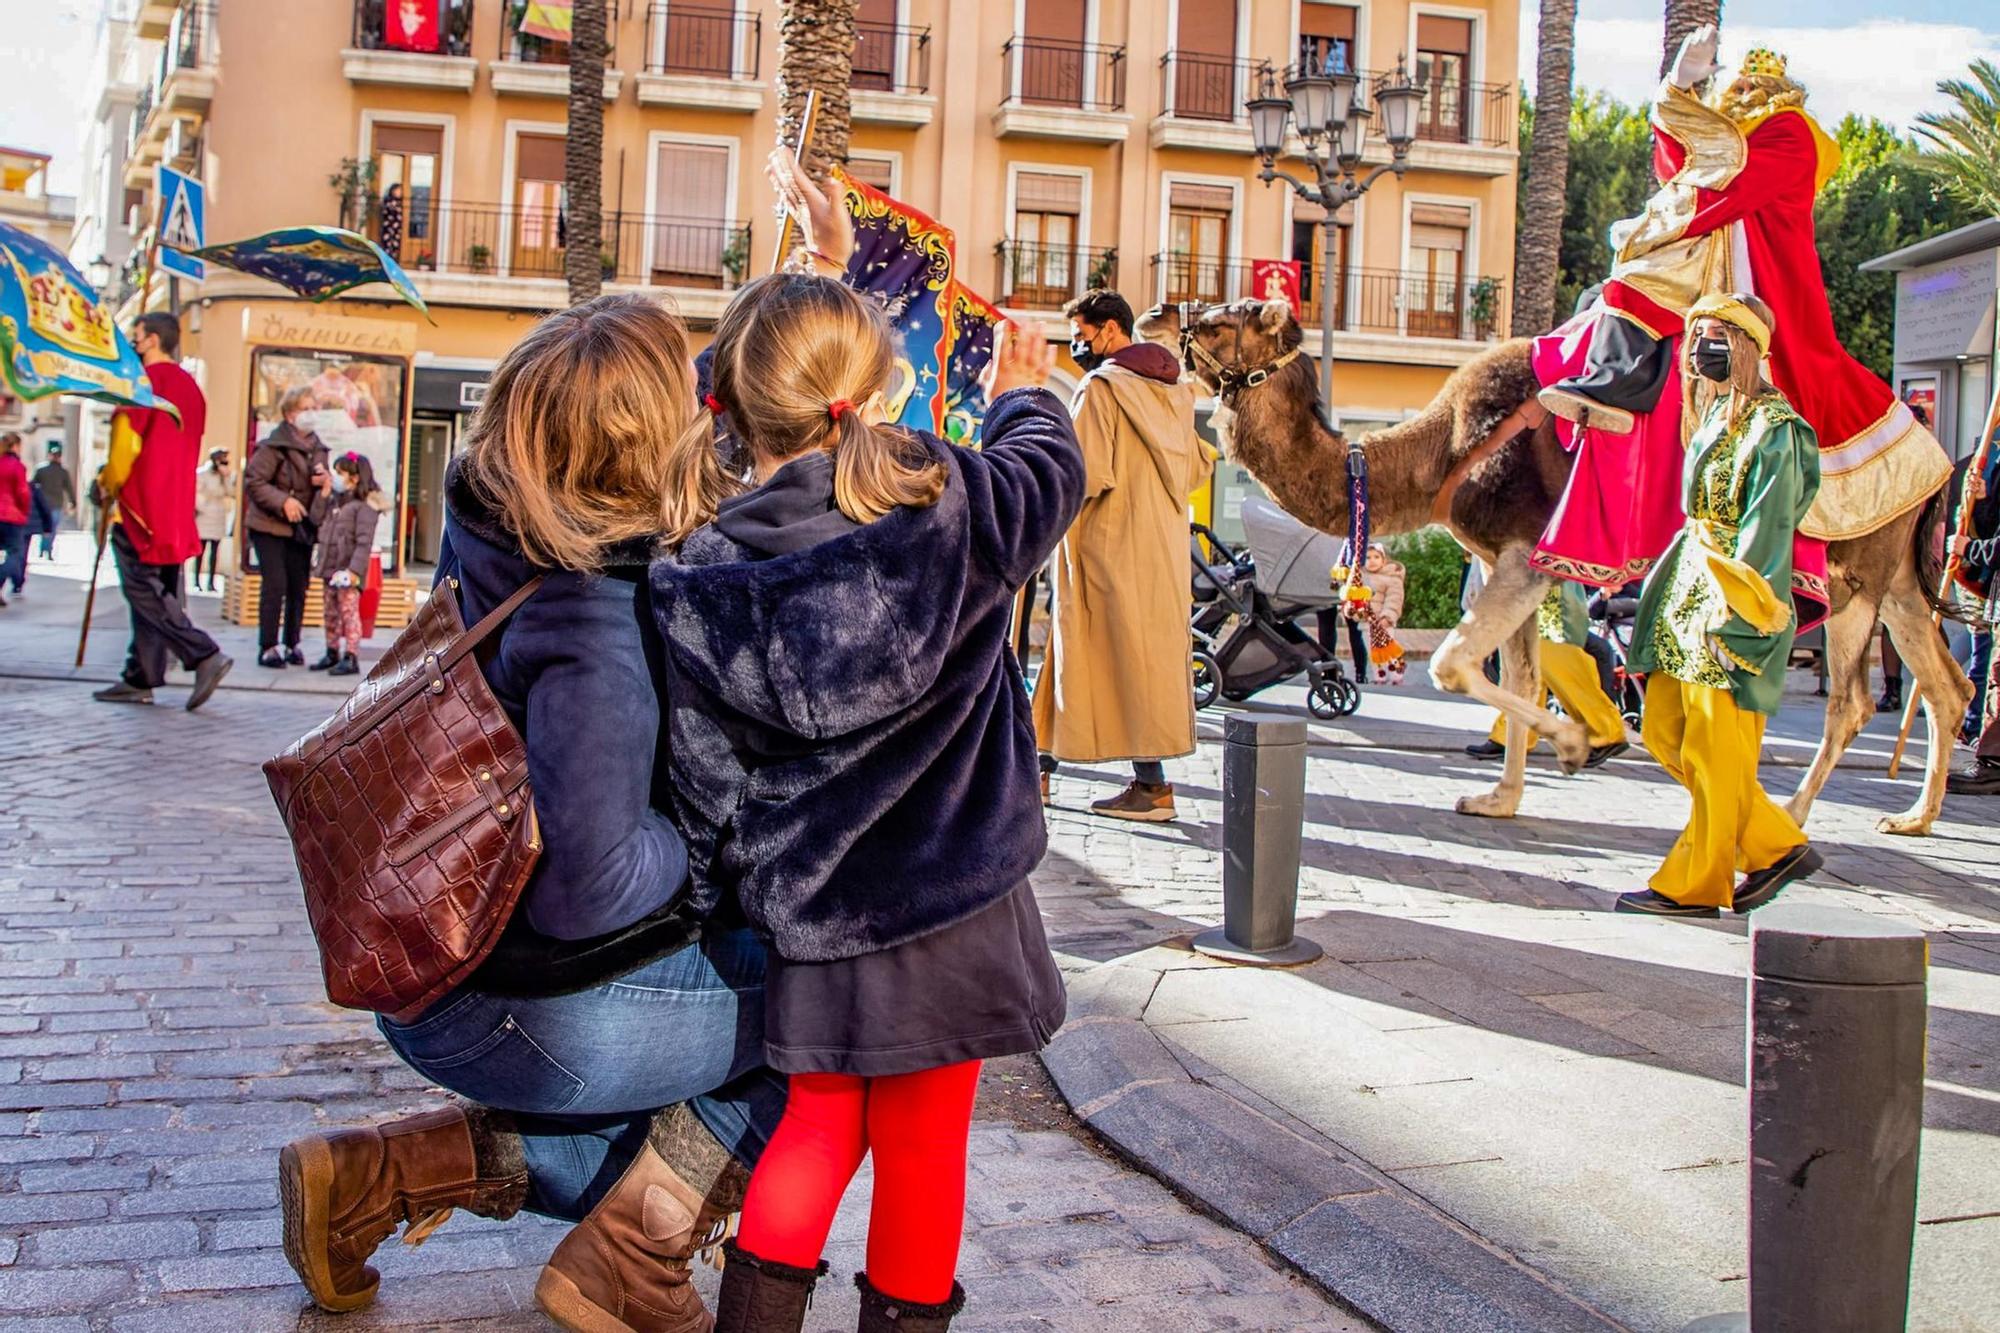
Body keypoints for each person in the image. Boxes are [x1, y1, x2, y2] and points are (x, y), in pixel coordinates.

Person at [277, 294, 787, 1331]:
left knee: (669, 1130)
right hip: (516, 1005)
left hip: (440, 968)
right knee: (828, 1022)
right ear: (646, 442)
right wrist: (705, 845)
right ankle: (632, 1256)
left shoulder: (494, 528)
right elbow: (590, 885)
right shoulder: (591, 618)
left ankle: (383, 1174)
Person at [649, 278, 1080, 1331]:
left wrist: (710, 900)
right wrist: (1025, 393)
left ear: (725, 406)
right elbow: (1050, 473)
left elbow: (704, 783)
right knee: (925, 1153)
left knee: (815, 1129)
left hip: (820, 918)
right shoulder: (949, 500)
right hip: (958, 905)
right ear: (877, 385)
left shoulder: (696, 578)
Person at [1529, 32, 1947, 597]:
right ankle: (1609, 410)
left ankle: (1613, 390)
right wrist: (1677, 88)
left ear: (1777, 92)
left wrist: (1654, 224)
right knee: (1605, 300)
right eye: (1735, 85)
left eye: (1751, 87)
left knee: (1636, 283)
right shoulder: (1735, 138)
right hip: (1705, 278)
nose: (1740, 93)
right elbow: (1685, 170)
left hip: (1756, 288)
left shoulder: (1789, 133)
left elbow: (1723, 183)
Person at [1620, 294, 1822, 917]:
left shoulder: (1778, 431)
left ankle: (1697, 884)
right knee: (1664, 731)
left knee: (1714, 747)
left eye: (1716, 335)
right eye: (1696, 334)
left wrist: (1740, 619)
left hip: (1731, 606)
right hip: (1686, 593)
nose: (1700, 347)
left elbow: (1769, 532)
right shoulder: (1710, 418)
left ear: (1747, 345)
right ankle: (1771, 843)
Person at [1034, 288, 1206, 822]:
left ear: (1110, 331)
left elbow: (1082, 475)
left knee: (1088, 656)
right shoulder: (1176, 393)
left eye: (1080, 334)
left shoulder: (1102, 388)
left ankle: (1139, 786)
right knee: (1129, 662)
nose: (1075, 345)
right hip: (1161, 550)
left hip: (1105, 545)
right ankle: (1056, 771)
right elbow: (1198, 467)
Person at [90, 314, 233, 710]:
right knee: (159, 591)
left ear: (151, 340)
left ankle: (203, 653)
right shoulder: (191, 388)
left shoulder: (141, 384)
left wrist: (107, 481)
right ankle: (141, 675)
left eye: (136, 339)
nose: (132, 347)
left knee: (145, 592)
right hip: (173, 505)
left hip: (141, 505)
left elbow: (126, 447)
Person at [1467, 580, 1629, 766]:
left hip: (1549, 583)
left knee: (1556, 658)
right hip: (1536, 582)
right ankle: (1513, 736)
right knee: (1530, 668)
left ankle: (1604, 731)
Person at [243, 387, 330, 668]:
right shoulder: (273, 446)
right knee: (275, 584)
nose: (312, 414)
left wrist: (325, 488)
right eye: (307, 408)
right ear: (291, 414)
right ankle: (268, 646)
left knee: (298, 586)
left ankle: (292, 643)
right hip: (269, 526)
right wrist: (283, 502)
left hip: (300, 529)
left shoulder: (319, 449)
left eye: (315, 407)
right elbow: (254, 481)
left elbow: (318, 504)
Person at [307, 452, 390, 676]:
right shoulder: (335, 499)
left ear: (354, 477)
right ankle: (331, 651)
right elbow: (315, 519)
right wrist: (323, 495)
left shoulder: (365, 506)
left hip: (347, 570)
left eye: (340, 473)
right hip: (329, 565)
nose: (335, 477)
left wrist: (354, 571)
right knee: (330, 612)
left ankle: (351, 655)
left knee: (348, 613)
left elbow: (364, 542)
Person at [1354, 542, 1408, 685]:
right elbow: (1355, 600)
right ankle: (1379, 675)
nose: (1372, 561)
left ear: (1383, 560)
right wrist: (1357, 613)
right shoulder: (1360, 579)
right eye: (1368, 557)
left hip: (1384, 622)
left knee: (1387, 648)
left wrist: (1387, 617)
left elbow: (1394, 599)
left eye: (1376, 557)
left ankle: (1396, 674)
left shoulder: (1391, 578)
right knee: (1373, 651)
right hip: (1367, 623)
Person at [192, 448, 234, 592]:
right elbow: (196, 493)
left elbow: (231, 493)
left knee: (215, 552)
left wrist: (227, 477)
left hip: (218, 516)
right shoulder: (202, 474)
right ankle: (196, 581)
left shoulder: (224, 476)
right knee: (200, 551)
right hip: (204, 516)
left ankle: (211, 582)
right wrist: (203, 507)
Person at [32, 441, 76, 560]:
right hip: (54, 504)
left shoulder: (42, 470)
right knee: (51, 528)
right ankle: (47, 549)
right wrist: (73, 502)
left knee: (46, 528)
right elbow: (69, 488)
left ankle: (44, 549)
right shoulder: (62, 472)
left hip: (45, 504)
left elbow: (33, 485)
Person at [0, 433, 29, 604]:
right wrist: (24, 512)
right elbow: (23, 493)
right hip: (11, 515)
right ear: (15, 446)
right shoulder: (17, 466)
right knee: (15, 554)